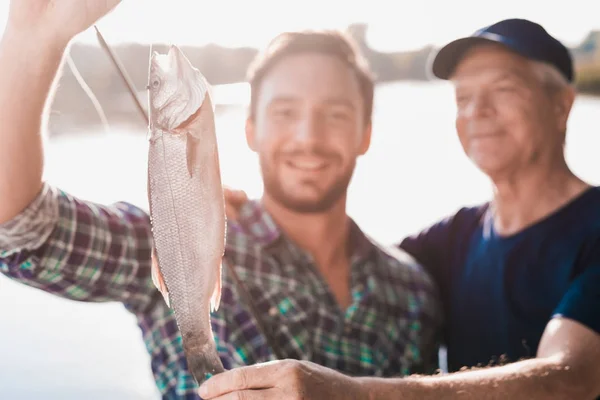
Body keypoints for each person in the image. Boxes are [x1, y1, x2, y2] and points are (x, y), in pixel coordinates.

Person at [0, 1, 442, 398]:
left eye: (335, 114)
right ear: (250, 131)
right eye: (285, 112)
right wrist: (33, 33)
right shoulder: (150, 249)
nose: (309, 137)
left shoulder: (413, 290)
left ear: (366, 133)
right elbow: (19, 231)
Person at [199, 18, 600, 400]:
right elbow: (348, 262)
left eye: (504, 90)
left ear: (562, 105)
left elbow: (573, 378)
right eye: (464, 97)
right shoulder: (452, 240)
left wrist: (352, 394)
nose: (477, 110)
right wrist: (223, 208)